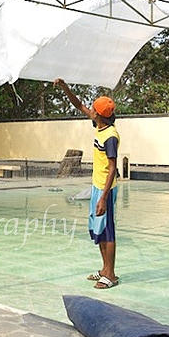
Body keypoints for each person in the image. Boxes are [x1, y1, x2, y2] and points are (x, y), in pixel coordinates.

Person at [54, 78, 121, 289]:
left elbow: (112, 168)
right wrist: (65, 88)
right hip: (97, 186)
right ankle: (104, 269)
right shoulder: (100, 128)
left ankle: (110, 275)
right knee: (98, 229)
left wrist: (103, 197)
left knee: (107, 230)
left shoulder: (110, 136)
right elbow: (78, 105)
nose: (90, 111)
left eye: (93, 109)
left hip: (105, 190)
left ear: (100, 115)